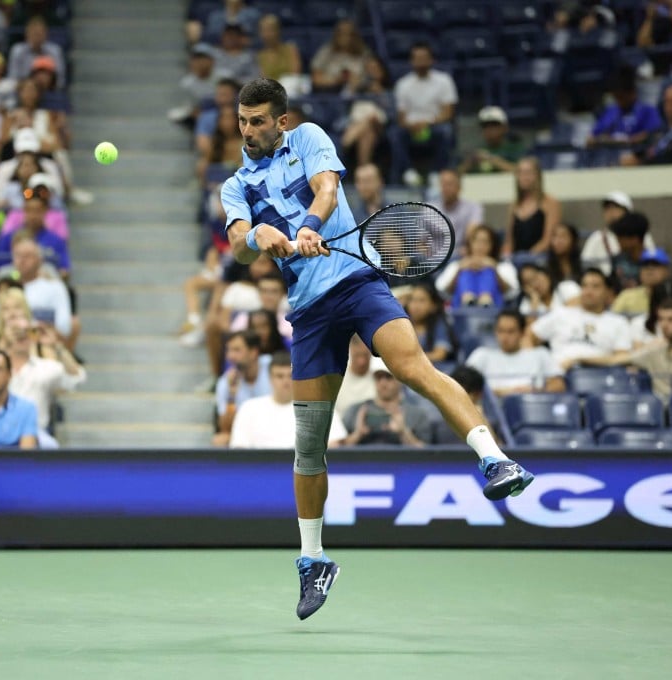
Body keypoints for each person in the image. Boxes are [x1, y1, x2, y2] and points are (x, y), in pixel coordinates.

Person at [222, 78, 533, 620]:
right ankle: (313, 560)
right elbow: (238, 245)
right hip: (309, 311)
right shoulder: (235, 185)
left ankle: (496, 461)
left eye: (258, 121)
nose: (247, 129)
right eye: (242, 120)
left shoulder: (309, 137)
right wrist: (256, 238)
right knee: (309, 443)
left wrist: (310, 226)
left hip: (357, 282)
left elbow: (325, 190)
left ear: (281, 121)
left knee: (412, 367)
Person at [0, 315, 84, 447]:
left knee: (50, 445)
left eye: (27, 331)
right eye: (16, 330)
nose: (21, 335)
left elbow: (76, 378)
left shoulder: (45, 367)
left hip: (36, 433)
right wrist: (4, 341)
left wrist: (56, 346)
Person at [230, 351, 346, 449]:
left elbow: (335, 445)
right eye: (279, 376)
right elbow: (239, 449)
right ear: (270, 378)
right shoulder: (249, 408)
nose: (285, 382)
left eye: (290, 376)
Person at [528, 268, 632, 370]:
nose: (589, 291)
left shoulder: (618, 322)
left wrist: (580, 360)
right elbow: (528, 336)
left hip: (598, 374)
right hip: (558, 374)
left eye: (595, 286)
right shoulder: (561, 313)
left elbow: (622, 358)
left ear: (607, 292)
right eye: (584, 286)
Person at [389, 43, 457, 186]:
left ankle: (436, 172)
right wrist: (411, 125)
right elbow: (401, 117)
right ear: (411, 61)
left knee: (446, 131)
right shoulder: (403, 84)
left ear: (432, 60)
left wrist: (428, 122)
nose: (421, 62)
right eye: (417, 58)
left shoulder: (444, 80)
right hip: (411, 128)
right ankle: (408, 172)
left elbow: (448, 112)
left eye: (424, 58)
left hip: (434, 125)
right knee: (394, 134)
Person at [464, 310, 565, 397]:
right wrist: (498, 393)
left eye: (510, 331)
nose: (504, 337)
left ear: (522, 333)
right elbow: (463, 386)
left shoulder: (541, 354)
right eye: (500, 331)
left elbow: (559, 385)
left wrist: (535, 391)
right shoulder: (482, 355)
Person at [342, 358, 432, 447]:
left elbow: (428, 452)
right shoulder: (355, 411)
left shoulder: (416, 414)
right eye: (378, 377)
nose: (383, 383)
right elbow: (336, 448)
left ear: (400, 379)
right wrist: (357, 435)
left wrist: (404, 433)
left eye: (388, 377)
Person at [213, 329, 272, 447]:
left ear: (253, 352)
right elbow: (225, 428)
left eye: (236, 350)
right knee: (220, 440)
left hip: (274, 426)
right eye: (228, 350)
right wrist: (231, 395)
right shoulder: (225, 382)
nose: (230, 356)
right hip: (246, 433)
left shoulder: (273, 368)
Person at [435, 225, 518, 309]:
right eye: (476, 241)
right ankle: (468, 299)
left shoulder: (503, 266)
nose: (480, 246)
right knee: (466, 272)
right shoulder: (457, 265)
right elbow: (442, 291)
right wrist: (459, 270)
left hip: (493, 310)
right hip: (461, 311)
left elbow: (512, 293)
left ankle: (485, 299)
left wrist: (495, 269)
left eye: (485, 241)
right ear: (470, 243)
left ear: (493, 245)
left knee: (488, 271)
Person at [587, 67, 663, 149]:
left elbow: (654, 135)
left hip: (635, 152)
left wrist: (628, 141)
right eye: (616, 97)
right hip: (608, 152)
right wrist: (605, 140)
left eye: (621, 97)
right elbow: (590, 139)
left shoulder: (647, 111)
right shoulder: (610, 111)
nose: (619, 101)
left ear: (632, 93)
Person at [580, 191, 655, 272]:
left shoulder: (643, 235)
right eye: (607, 209)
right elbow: (585, 265)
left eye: (616, 208)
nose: (611, 213)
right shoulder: (596, 238)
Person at [628, 298, 672, 402]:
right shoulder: (653, 352)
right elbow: (618, 360)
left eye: (671, 319)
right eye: (661, 319)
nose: (664, 325)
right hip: (658, 408)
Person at [503, 156, 562, 256]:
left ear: (538, 176)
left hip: (540, 258)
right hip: (516, 257)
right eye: (520, 173)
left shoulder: (550, 203)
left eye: (528, 173)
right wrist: (506, 257)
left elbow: (548, 240)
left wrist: (528, 257)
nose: (524, 177)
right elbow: (509, 240)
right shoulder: (515, 205)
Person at [613, 248, 672, 316]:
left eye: (656, 264)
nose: (650, 269)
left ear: (667, 271)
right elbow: (612, 320)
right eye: (645, 265)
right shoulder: (626, 296)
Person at [458, 106, 524, 175]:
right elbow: (456, 175)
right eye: (485, 126)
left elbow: (521, 173)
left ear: (505, 127)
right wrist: (469, 163)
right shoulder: (476, 150)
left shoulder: (514, 148)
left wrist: (489, 158)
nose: (489, 129)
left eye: (494, 125)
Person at [430, 169, 483, 251]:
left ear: (459, 187)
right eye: (443, 184)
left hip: (461, 254)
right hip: (433, 256)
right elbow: (421, 243)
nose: (446, 188)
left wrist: (467, 250)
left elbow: (473, 236)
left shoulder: (473, 207)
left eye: (449, 184)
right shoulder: (429, 209)